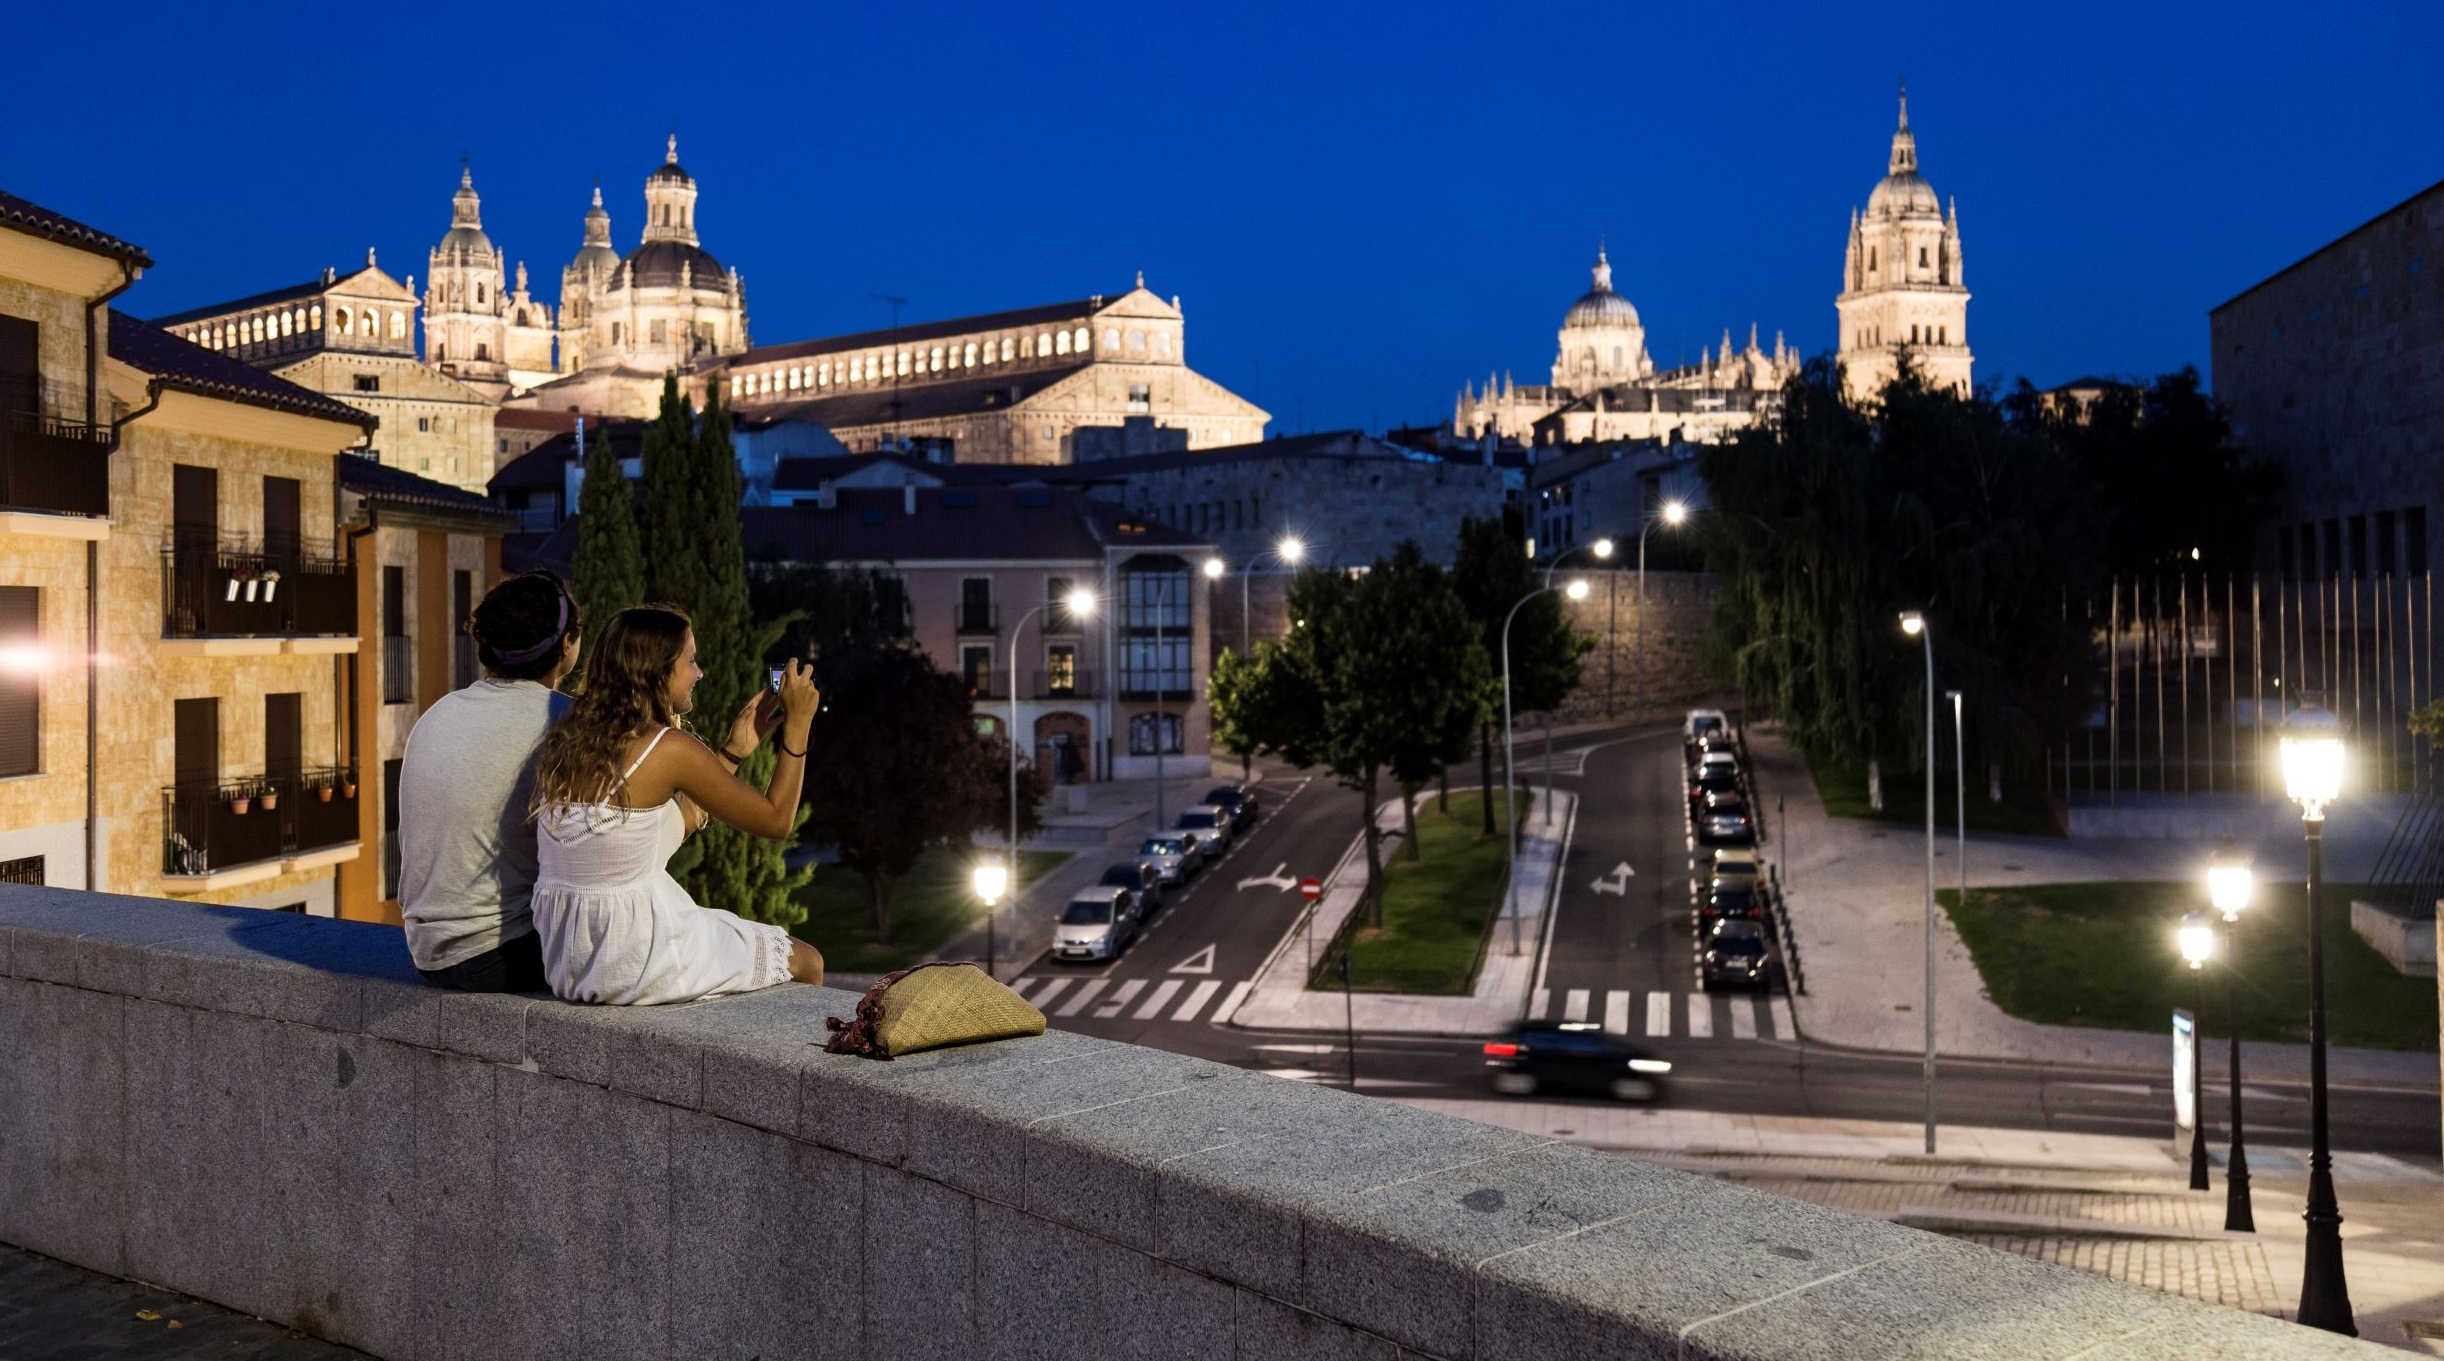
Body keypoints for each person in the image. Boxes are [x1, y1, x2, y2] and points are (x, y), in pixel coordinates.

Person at [527, 604, 826, 1004]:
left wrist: (734, 753)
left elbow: (641, 840)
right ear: (658, 670)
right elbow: (775, 822)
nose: (699, 673)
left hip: (576, 959)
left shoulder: (569, 739)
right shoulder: (667, 748)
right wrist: (799, 724)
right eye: (691, 660)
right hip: (638, 955)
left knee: (726, 928)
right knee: (808, 961)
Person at [397, 570, 583, 992]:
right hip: (502, 953)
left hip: (426, 953)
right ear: (567, 644)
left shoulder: (439, 712)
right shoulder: (566, 721)